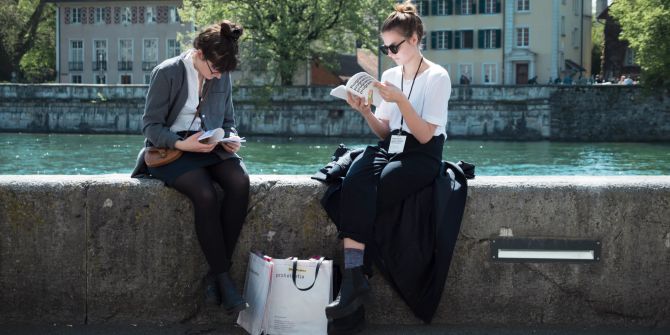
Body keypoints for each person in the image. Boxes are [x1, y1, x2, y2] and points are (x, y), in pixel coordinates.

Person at [324, 1, 451, 333]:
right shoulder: (390, 75)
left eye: (394, 46)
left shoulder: (438, 76)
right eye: (385, 47)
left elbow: (424, 135)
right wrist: (365, 110)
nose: (390, 53)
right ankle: (353, 278)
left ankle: (355, 278)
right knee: (351, 184)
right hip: (389, 145)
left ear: (413, 40)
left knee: (368, 198)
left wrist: (402, 101)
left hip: (422, 154)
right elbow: (384, 130)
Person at [131, 21, 250, 314]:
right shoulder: (167, 72)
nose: (218, 75)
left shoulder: (220, 71)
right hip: (171, 149)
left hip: (210, 145)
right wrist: (182, 144)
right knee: (206, 195)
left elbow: (228, 120)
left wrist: (229, 137)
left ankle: (216, 275)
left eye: (223, 71)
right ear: (198, 52)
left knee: (240, 182)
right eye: (214, 68)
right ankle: (224, 278)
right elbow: (150, 126)